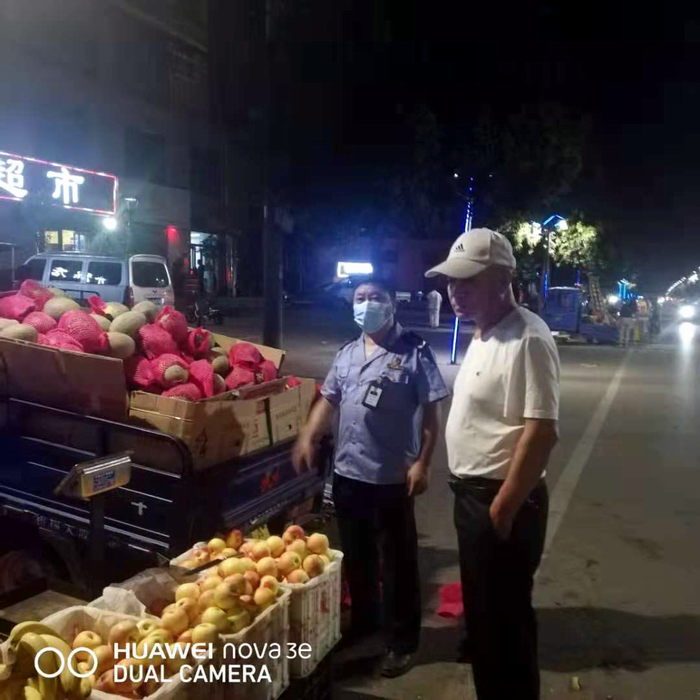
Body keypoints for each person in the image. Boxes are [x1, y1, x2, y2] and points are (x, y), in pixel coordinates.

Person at [425, 229, 560, 700]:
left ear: (504, 279)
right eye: (449, 282)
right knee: (483, 621)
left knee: (506, 627)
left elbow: (541, 432)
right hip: (473, 498)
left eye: (467, 281)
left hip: (503, 503)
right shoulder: (483, 332)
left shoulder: (529, 338)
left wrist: (501, 511)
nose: (454, 291)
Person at [293, 278, 449, 678]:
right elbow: (328, 399)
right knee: (358, 559)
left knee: (398, 564)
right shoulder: (346, 354)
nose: (367, 304)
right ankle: (365, 624)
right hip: (348, 474)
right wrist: (309, 435)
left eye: (375, 297)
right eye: (360, 298)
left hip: (392, 478)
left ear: (390, 303)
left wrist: (423, 463)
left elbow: (432, 415)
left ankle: (403, 641)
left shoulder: (414, 352)